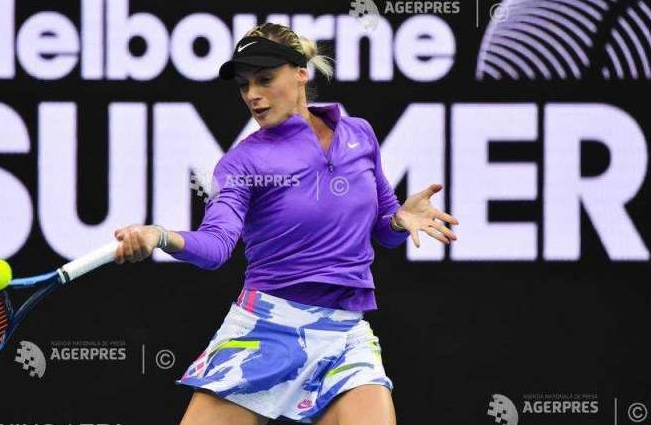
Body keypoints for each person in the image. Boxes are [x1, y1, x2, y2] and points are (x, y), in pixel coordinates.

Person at [113, 23, 458, 425]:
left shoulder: (359, 135)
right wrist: (160, 236)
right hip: (264, 332)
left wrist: (399, 221)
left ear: (300, 73)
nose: (253, 95)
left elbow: (383, 230)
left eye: (264, 79)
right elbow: (216, 246)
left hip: (344, 335)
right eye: (244, 85)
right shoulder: (242, 163)